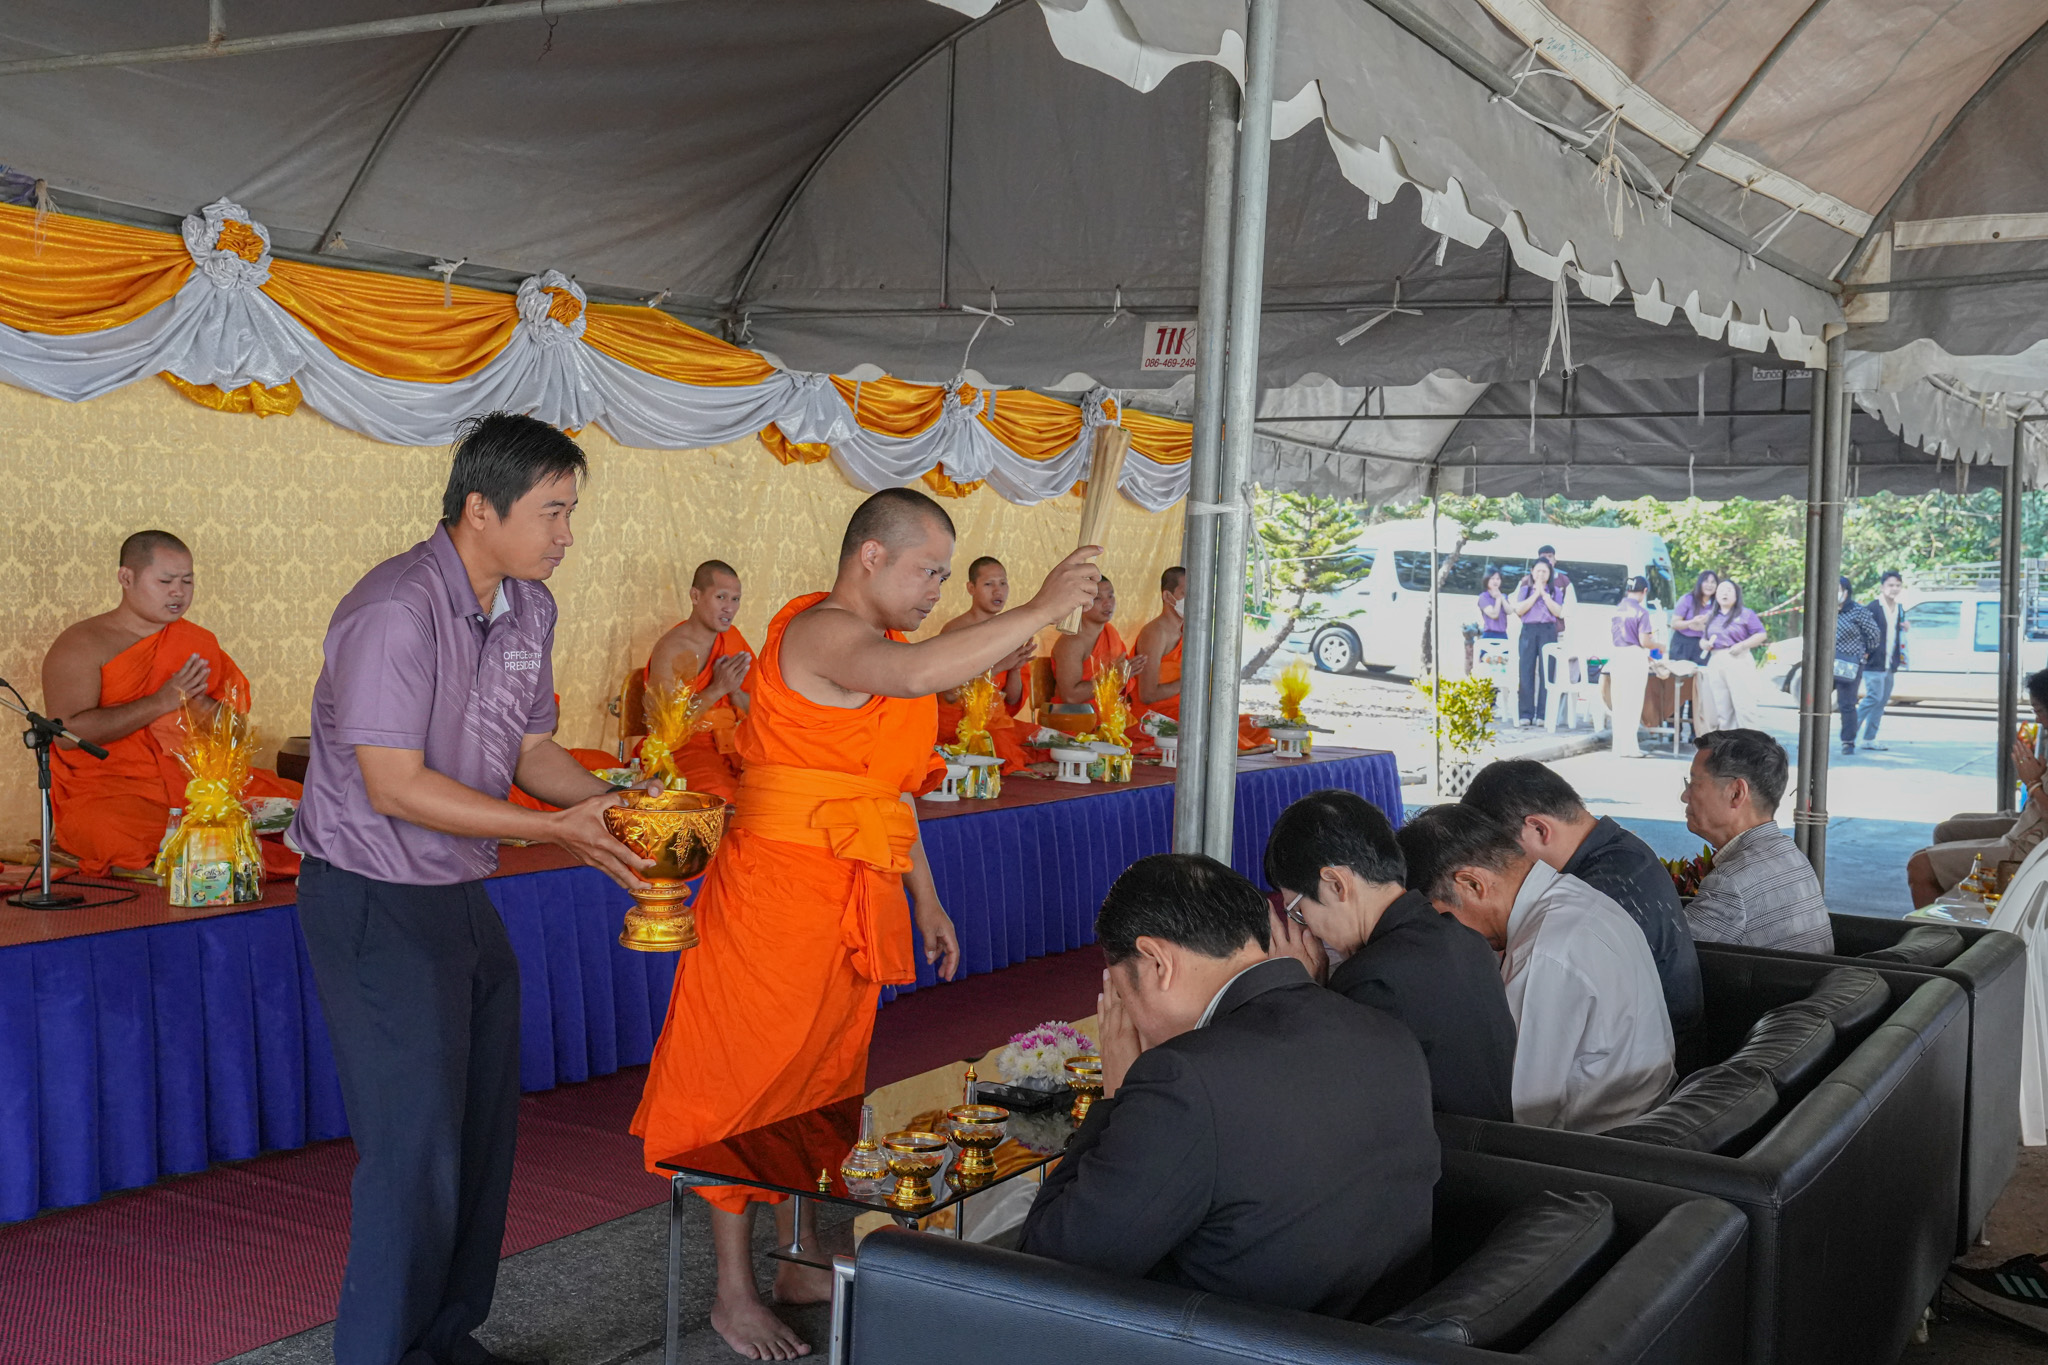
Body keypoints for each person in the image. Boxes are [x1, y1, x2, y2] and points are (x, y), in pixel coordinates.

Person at [632, 488, 1101, 1359]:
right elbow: (918, 675)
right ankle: (732, 1290)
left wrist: (927, 896)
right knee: (746, 1080)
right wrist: (1039, 605)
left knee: (823, 1080)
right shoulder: (820, 631)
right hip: (776, 894)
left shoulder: (885, 651)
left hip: (854, 888)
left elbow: (888, 790)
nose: (936, 591)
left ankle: (800, 1254)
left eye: (945, 577)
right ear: (871, 556)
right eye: (929, 571)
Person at [292, 413, 659, 1365]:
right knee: (412, 1148)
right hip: (374, 895)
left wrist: (613, 806)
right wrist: (557, 831)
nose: (567, 532)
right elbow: (393, 785)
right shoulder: (396, 608)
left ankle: (444, 1336)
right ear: (480, 508)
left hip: (458, 889)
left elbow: (531, 748)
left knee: (480, 1129)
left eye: (571, 510)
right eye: (552, 511)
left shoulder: (530, 607)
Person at [1019, 853, 1437, 1319]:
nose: (1126, 1018)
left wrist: (1115, 1100)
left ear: (1157, 962)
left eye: (1121, 994)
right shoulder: (1385, 1030)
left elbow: (1047, 1265)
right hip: (1380, 1330)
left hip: (1241, 1343)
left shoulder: (1183, 1082)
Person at [1398, 804, 1674, 1133]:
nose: (1447, 933)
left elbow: (1514, 1110)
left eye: (1442, 915)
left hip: (1591, 1149)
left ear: (1472, 884)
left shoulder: (1544, 951)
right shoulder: (1578, 898)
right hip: (1645, 1119)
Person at [41, 529, 301, 878]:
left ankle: (214, 854)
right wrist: (161, 701)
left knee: (308, 808)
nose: (178, 592)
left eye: (187, 581)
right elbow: (65, 734)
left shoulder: (195, 642)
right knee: (111, 830)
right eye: (165, 581)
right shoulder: (83, 643)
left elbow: (235, 735)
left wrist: (201, 706)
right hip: (115, 792)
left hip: (199, 786)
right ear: (126, 578)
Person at [1262, 789, 1516, 1120]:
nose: (1307, 928)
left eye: (1298, 910)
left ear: (1336, 884)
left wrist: (1301, 993)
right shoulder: (1466, 939)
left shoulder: (1373, 980)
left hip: (1444, 1150)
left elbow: (1325, 1100)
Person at [1462, 760, 1702, 1039]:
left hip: (1665, 1058)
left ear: (1539, 829)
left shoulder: (1593, 895)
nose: (1496, 870)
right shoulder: (1622, 852)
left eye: (1498, 856)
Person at [1680, 728, 1833, 953]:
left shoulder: (1730, 883)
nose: (1684, 796)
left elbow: (1666, 959)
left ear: (1736, 793)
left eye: (1694, 783)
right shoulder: (1790, 855)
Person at [1907, 668, 2048, 906]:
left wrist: (2033, 783)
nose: (2037, 720)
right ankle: (1962, 908)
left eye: (2039, 711)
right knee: (1946, 832)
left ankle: (1941, 928)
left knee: (1919, 866)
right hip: (2029, 829)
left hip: (2032, 846)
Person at [641, 559, 755, 802]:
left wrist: (734, 692)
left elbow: (758, 710)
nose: (729, 608)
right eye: (721, 597)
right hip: (687, 750)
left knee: (771, 790)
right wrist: (718, 689)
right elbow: (666, 730)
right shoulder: (672, 649)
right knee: (722, 799)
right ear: (695, 596)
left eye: (735, 599)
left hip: (735, 745)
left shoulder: (733, 640)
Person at [1131, 565, 1271, 751]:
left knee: (1261, 725)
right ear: (1167, 596)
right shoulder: (1155, 633)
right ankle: (1242, 752)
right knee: (1216, 732)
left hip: (1190, 712)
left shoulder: (1188, 632)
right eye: (1186, 593)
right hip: (1158, 718)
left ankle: (1247, 749)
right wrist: (1190, 680)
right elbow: (1147, 695)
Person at [935, 555, 1038, 772]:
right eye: (989, 584)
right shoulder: (955, 631)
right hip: (958, 725)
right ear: (971, 588)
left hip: (998, 722)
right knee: (1001, 751)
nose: (998, 591)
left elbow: (1012, 700)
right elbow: (949, 694)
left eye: (1003, 583)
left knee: (1060, 742)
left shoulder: (1011, 632)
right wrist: (998, 667)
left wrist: (1015, 668)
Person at [1051, 574, 1147, 705]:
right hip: (1076, 715)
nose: (1108, 603)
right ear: (1080, 603)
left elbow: (1122, 685)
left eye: (1110, 596)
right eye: (1097, 598)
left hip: (1111, 712)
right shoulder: (1072, 643)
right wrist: (1114, 677)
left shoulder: (1110, 632)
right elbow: (1071, 697)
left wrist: (1126, 674)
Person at [1694, 578, 1766, 736]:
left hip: (1738, 659)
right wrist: (1704, 644)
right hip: (1716, 660)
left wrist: (1743, 645)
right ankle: (1729, 744)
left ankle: (1752, 744)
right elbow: (1703, 638)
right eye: (1721, 590)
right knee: (1722, 708)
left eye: (1728, 590)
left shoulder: (1746, 614)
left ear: (1736, 595)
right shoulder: (1711, 616)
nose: (1724, 593)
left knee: (1744, 706)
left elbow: (1761, 634)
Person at [1508, 557, 1565, 727]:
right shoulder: (1525, 589)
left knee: (1547, 671)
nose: (1541, 574)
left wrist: (1544, 595)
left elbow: (1558, 612)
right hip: (1528, 630)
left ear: (1550, 573)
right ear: (1532, 572)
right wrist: (1536, 594)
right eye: (1538, 570)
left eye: (1544, 571)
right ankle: (1525, 713)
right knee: (1526, 670)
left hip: (1548, 630)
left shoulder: (1555, 591)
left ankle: (1543, 714)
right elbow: (1519, 610)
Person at [1606, 575, 1658, 758]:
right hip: (1634, 656)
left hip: (1617, 655)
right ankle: (1630, 747)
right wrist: (1658, 645)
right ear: (1645, 591)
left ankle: (1618, 747)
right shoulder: (1641, 612)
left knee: (1619, 702)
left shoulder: (1617, 609)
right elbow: (1645, 641)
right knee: (1633, 703)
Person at [1857, 569, 1907, 751]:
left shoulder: (1899, 608)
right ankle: (1849, 731)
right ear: (1882, 587)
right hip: (1873, 663)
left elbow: (1895, 634)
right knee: (1873, 697)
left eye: (1897, 585)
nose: (1894, 588)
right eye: (1890, 585)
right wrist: (1865, 653)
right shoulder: (1873, 607)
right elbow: (1861, 632)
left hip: (1889, 664)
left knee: (1881, 702)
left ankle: (1869, 739)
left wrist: (1905, 626)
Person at [1833, 576, 1882, 756]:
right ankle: (1812, 738)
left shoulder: (1857, 611)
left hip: (1850, 663)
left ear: (1846, 592)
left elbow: (1874, 634)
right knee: (1816, 703)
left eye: (1838, 589)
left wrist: (1864, 652)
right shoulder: (1825, 610)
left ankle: (1848, 742)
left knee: (1846, 704)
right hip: (1825, 663)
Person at [1668, 570, 1718, 666]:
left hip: (1703, 644)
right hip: (1682, 643)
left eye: (1713, 582)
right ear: (1700, 583)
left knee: (1700, 673)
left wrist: (1703, 628)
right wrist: (1691, 622)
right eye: (1706, 581)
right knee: (1679, 673)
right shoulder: (1687, 599)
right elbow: (1674, 624)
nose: (1709, 585)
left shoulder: (1717, 604)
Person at [1476, 566, 1510, 641]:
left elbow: (1509, 611)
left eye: (1498, 579)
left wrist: (1501, 597)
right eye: (1492, 578)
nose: (1495, 581)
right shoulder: (1483, 597)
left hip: (1503, 634)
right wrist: (1498, 599)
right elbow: (1494, 615)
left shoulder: (1503, 596)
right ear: (1487, 580)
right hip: (1489, 633)